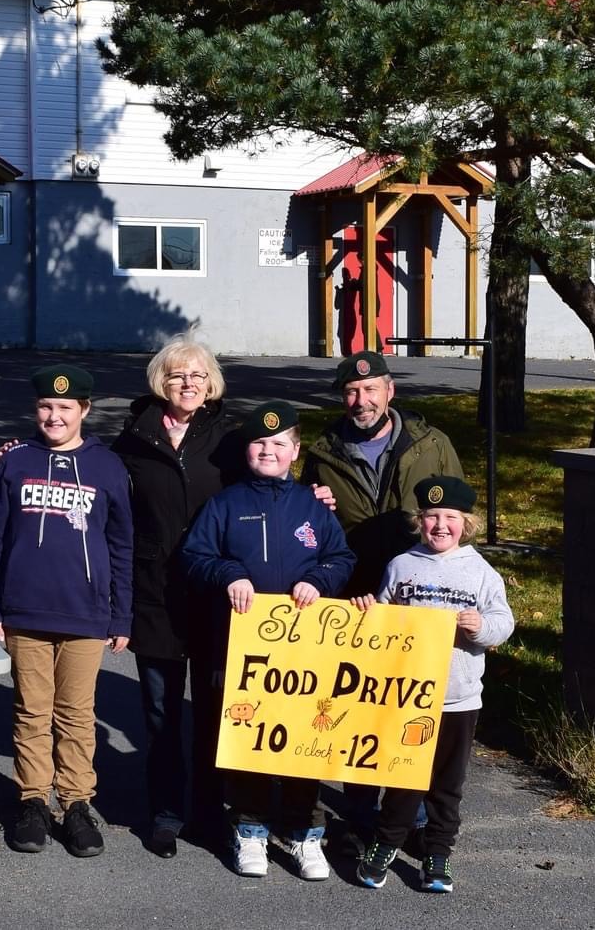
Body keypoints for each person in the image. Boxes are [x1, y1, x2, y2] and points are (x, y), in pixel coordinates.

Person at [182, 400, 353, 882]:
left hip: (304, 651)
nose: (269, 450)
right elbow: (195, 557)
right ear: (247, 450)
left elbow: (341, 557)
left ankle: (303, 832)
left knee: (302, 739)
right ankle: (251, 829)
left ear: (295, 451)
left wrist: (320, 580)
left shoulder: (310, 507)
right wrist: (230, 574)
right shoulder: (225, 504)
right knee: (250, 737)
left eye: (279, 443)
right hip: (242, 647)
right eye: (260, 442)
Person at [0, 365, 134, 859]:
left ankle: (77, 803)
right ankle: (32, 801)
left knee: (77, 714)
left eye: (65, 407)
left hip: (85, 614)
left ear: (84, 410)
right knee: (31, 711)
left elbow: (122, 544)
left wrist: (121, 615)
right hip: (24, 610)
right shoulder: (15, 461)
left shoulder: (107, 466)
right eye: (46, 406)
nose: (54, 415)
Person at [109, 336, 249, 857]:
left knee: (215, 714)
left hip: (218, 598)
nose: (187, 384)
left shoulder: (231, 441)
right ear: (160, 383)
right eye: (176, 376)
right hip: (155, 596)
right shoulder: (134, 439)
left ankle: (212, 813)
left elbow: (267, 490)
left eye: (197, 375)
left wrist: (313, 496)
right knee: (162, 716)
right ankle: (166, 814)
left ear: (211, 383)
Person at [351, 475, 511, 894]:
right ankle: (386, 844)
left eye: (451, 518)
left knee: (446, 784)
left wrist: (481, 627)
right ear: (419, 520)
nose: (441, 525)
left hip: (458, 699)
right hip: (406, 696)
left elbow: (503, 623)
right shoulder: (402, 565)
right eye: (432, 516)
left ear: (467, 523)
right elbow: (382, 618)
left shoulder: (481, 572)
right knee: (402, 778)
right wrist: (368, 611)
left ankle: (438, 854)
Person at [300, 351, 463, 598]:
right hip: (351, 590)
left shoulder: (433, 445)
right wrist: (309, 504)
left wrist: (460, 580)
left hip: (419, 589)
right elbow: (305, 532)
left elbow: (461, 517)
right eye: (351, 391)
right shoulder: (323, 455)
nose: (361, 401)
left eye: (370, 389)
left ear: (390, 391)